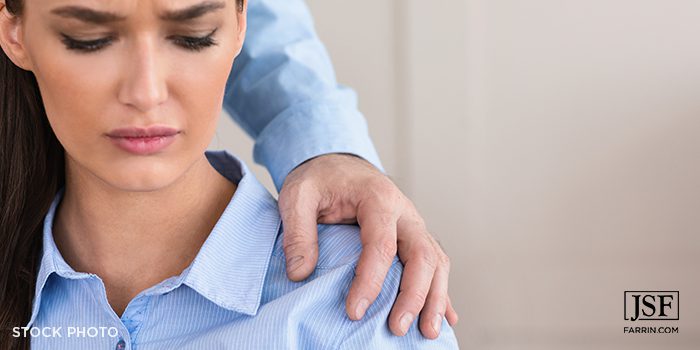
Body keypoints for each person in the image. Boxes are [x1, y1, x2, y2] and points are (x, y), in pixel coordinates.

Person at [0, 0, 459, 349]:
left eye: (194, 35)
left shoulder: (361, 305)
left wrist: (329, 148)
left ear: (242, 23)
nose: (146, 92)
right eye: (88, 39)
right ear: (13, 31)